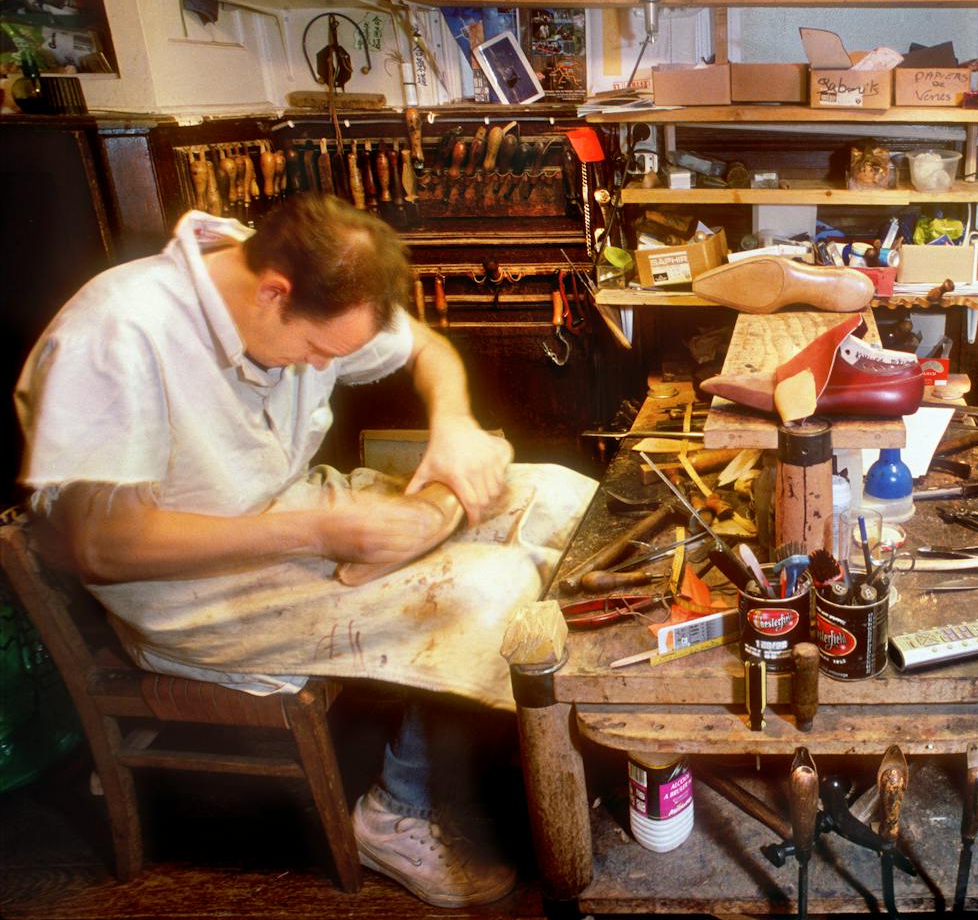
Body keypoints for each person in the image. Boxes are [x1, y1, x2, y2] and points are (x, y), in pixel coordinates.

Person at [13, 196, 596, 907]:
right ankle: (400, 809)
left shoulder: (306, 287)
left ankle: (543, 746)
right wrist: (321, 532)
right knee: (491, 589)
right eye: (320, 352)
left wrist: (453, 424)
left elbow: (426, 349)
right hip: (179, 588)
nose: (323, 366)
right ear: (273, 292)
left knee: (566, 498)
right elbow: (102, 545)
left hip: (284, 511)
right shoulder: (119, 332)